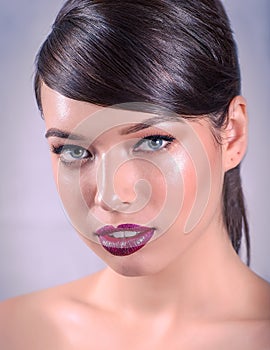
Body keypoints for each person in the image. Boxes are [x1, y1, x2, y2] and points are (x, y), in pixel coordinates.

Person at [1, 0, 270, 349]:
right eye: (74, 151)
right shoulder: (14, 332)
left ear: (231, 134)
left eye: (154, 141)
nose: (112, 195)